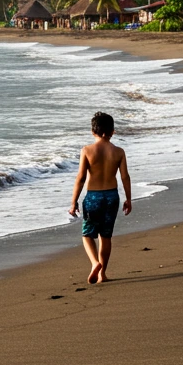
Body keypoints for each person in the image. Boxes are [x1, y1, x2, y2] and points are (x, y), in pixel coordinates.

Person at [67, 112, 133, 284]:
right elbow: (125, 176)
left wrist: (73, 202)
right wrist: (129, 199)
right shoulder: (118, 152)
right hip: (112, 196)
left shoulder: (87, 150)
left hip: (93, 197)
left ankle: (95, 262)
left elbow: (81, 177)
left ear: (92, 131)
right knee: (106, 236)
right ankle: (102, 274)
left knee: (87, 234)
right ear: (112, 131)